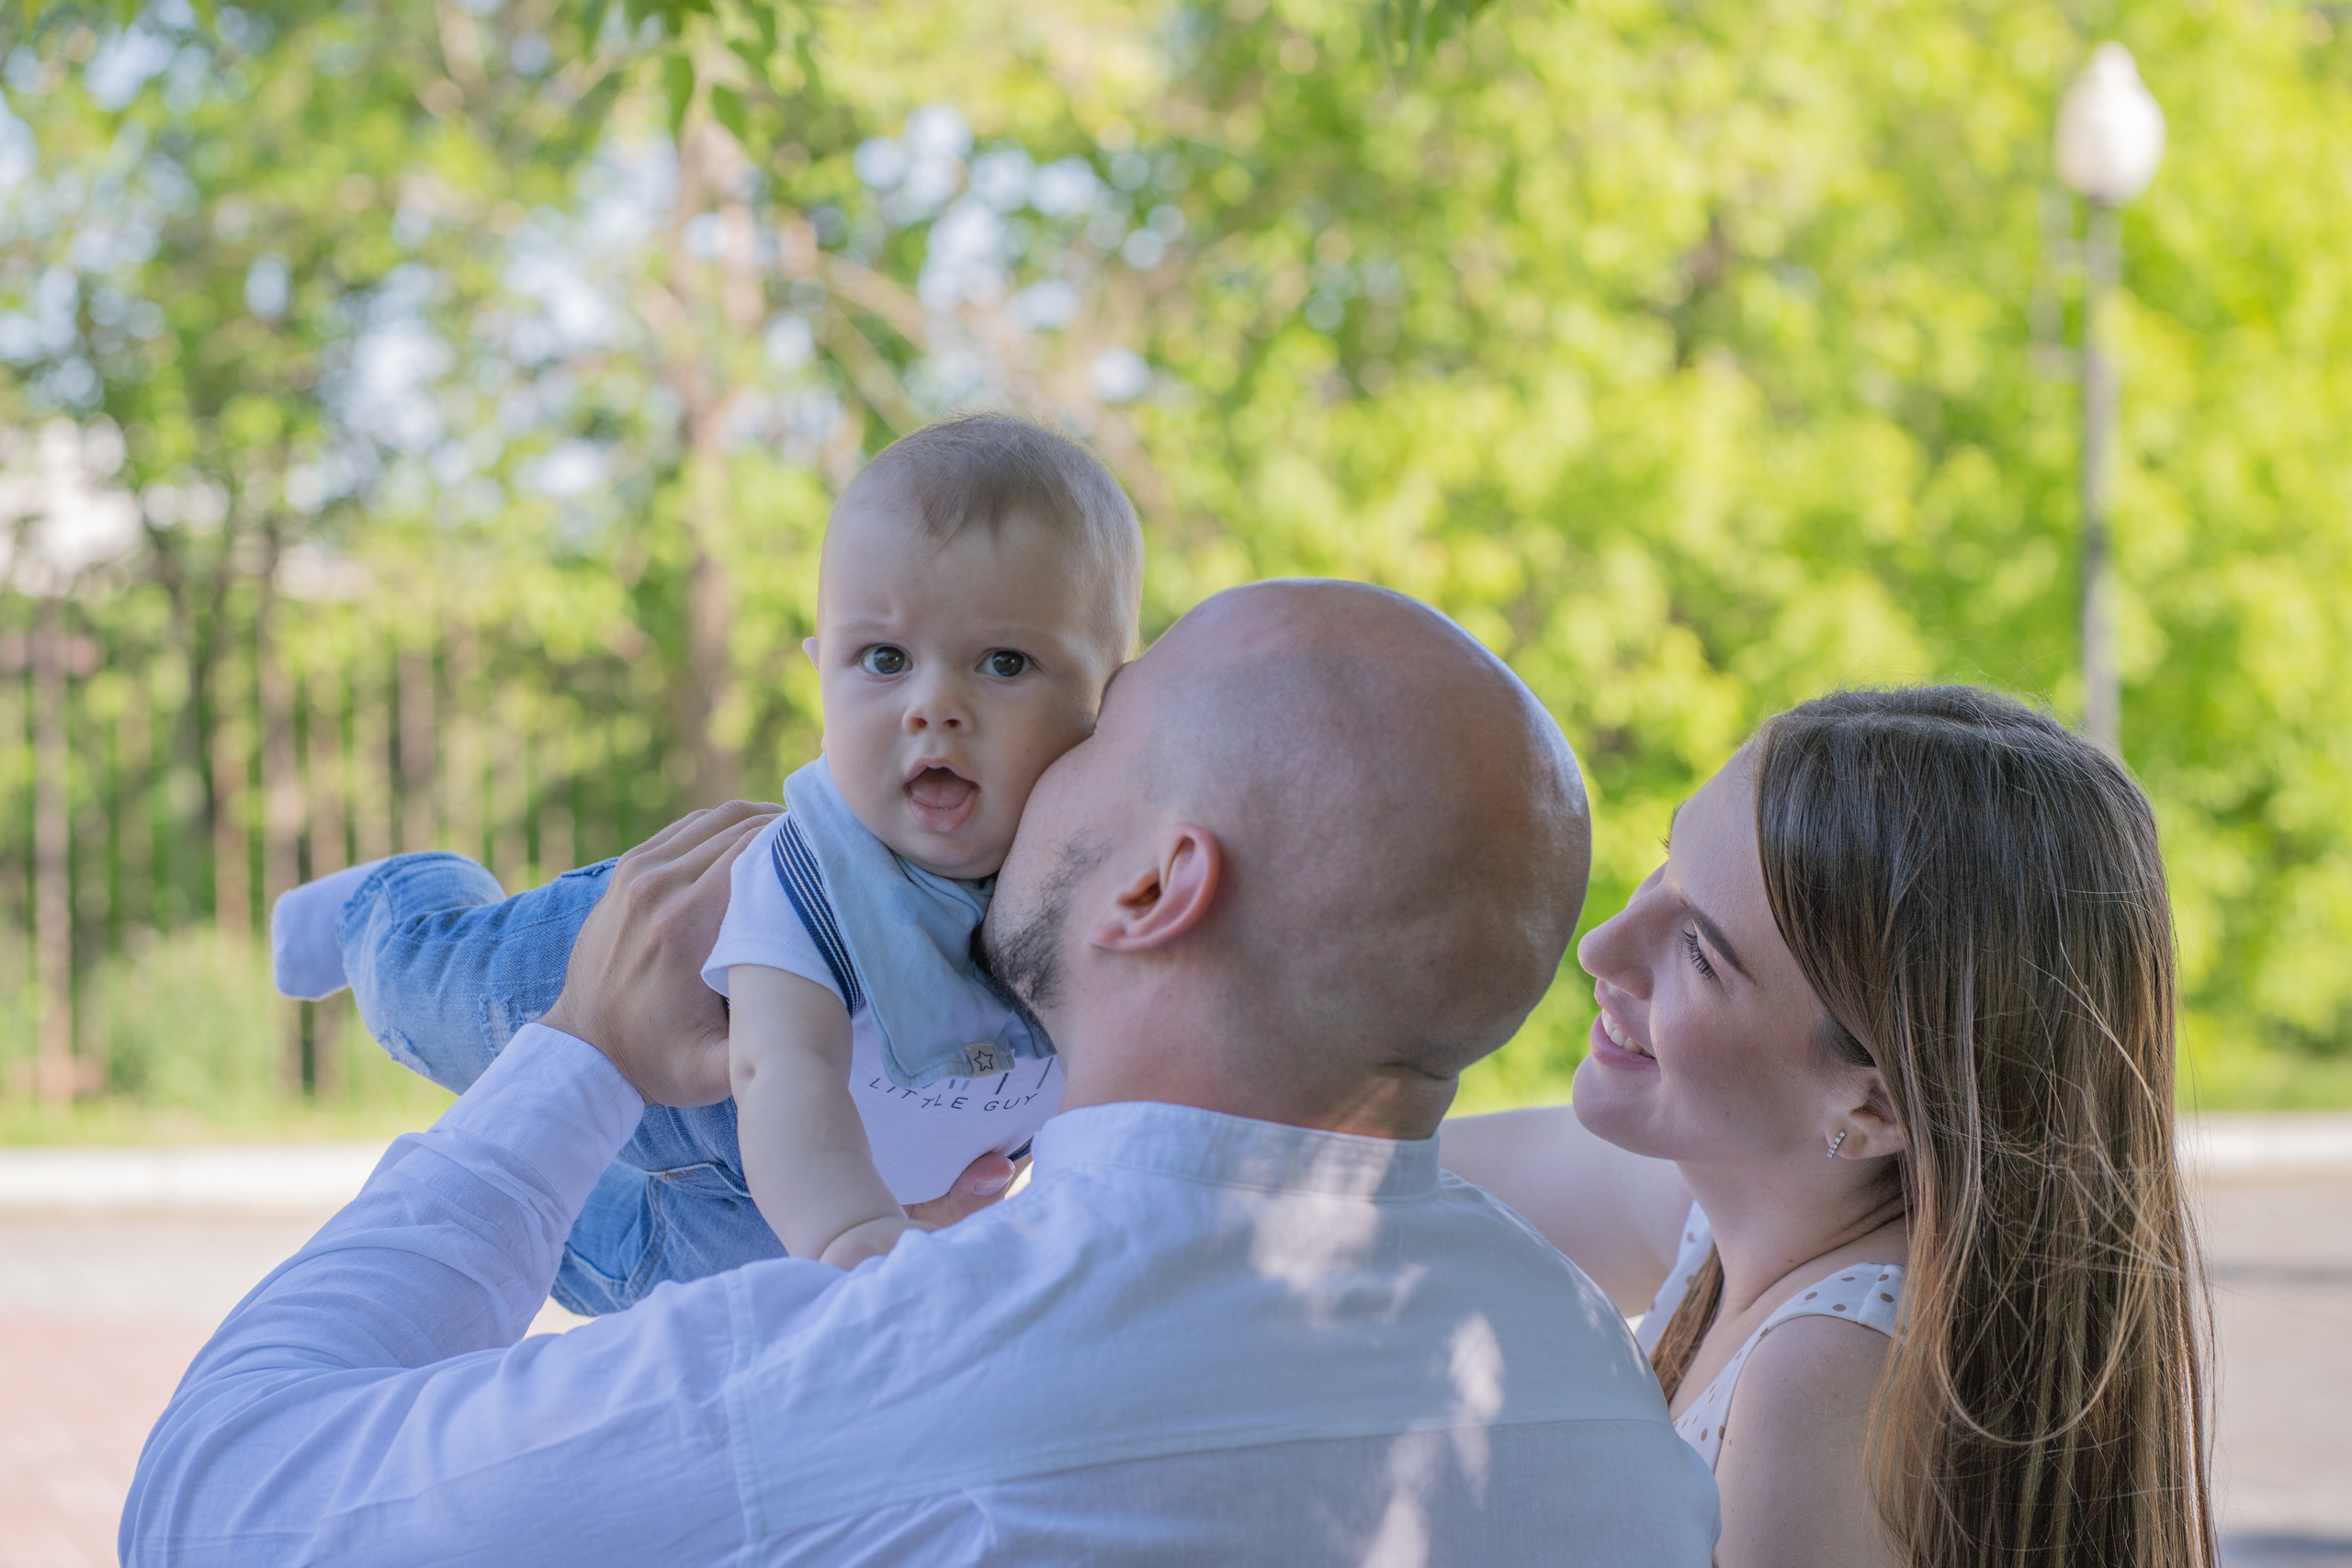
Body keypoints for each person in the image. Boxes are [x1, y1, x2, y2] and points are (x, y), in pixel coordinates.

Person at [125, 581, 1720, 1567]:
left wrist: (575, 1059)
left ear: (1154, 888)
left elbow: (213, 1508)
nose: (1025, 767)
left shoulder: (873, 1375)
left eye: (1095, 728)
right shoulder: (1582, 1385)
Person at [268, 412, 1142, 1292]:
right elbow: (782, 1064)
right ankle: (389, 903)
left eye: (1003, 662)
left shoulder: (1110, 886)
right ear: (820, 669)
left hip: (782, 1194)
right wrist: (855, 1244)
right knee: (441, 996)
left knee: (624, 1269)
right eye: (884, 658)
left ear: (1117, 691)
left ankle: (433, 1188)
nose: (932, 705)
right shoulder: (813, 881)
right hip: (635, 987)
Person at [1440, 686, 2216, 1567]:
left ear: (1875, 1106)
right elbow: (1369, 1168)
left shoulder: (1820, 1377)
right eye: (1666, 865)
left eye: (1700, 950)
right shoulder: (1739, 1211)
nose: (1604, 946)